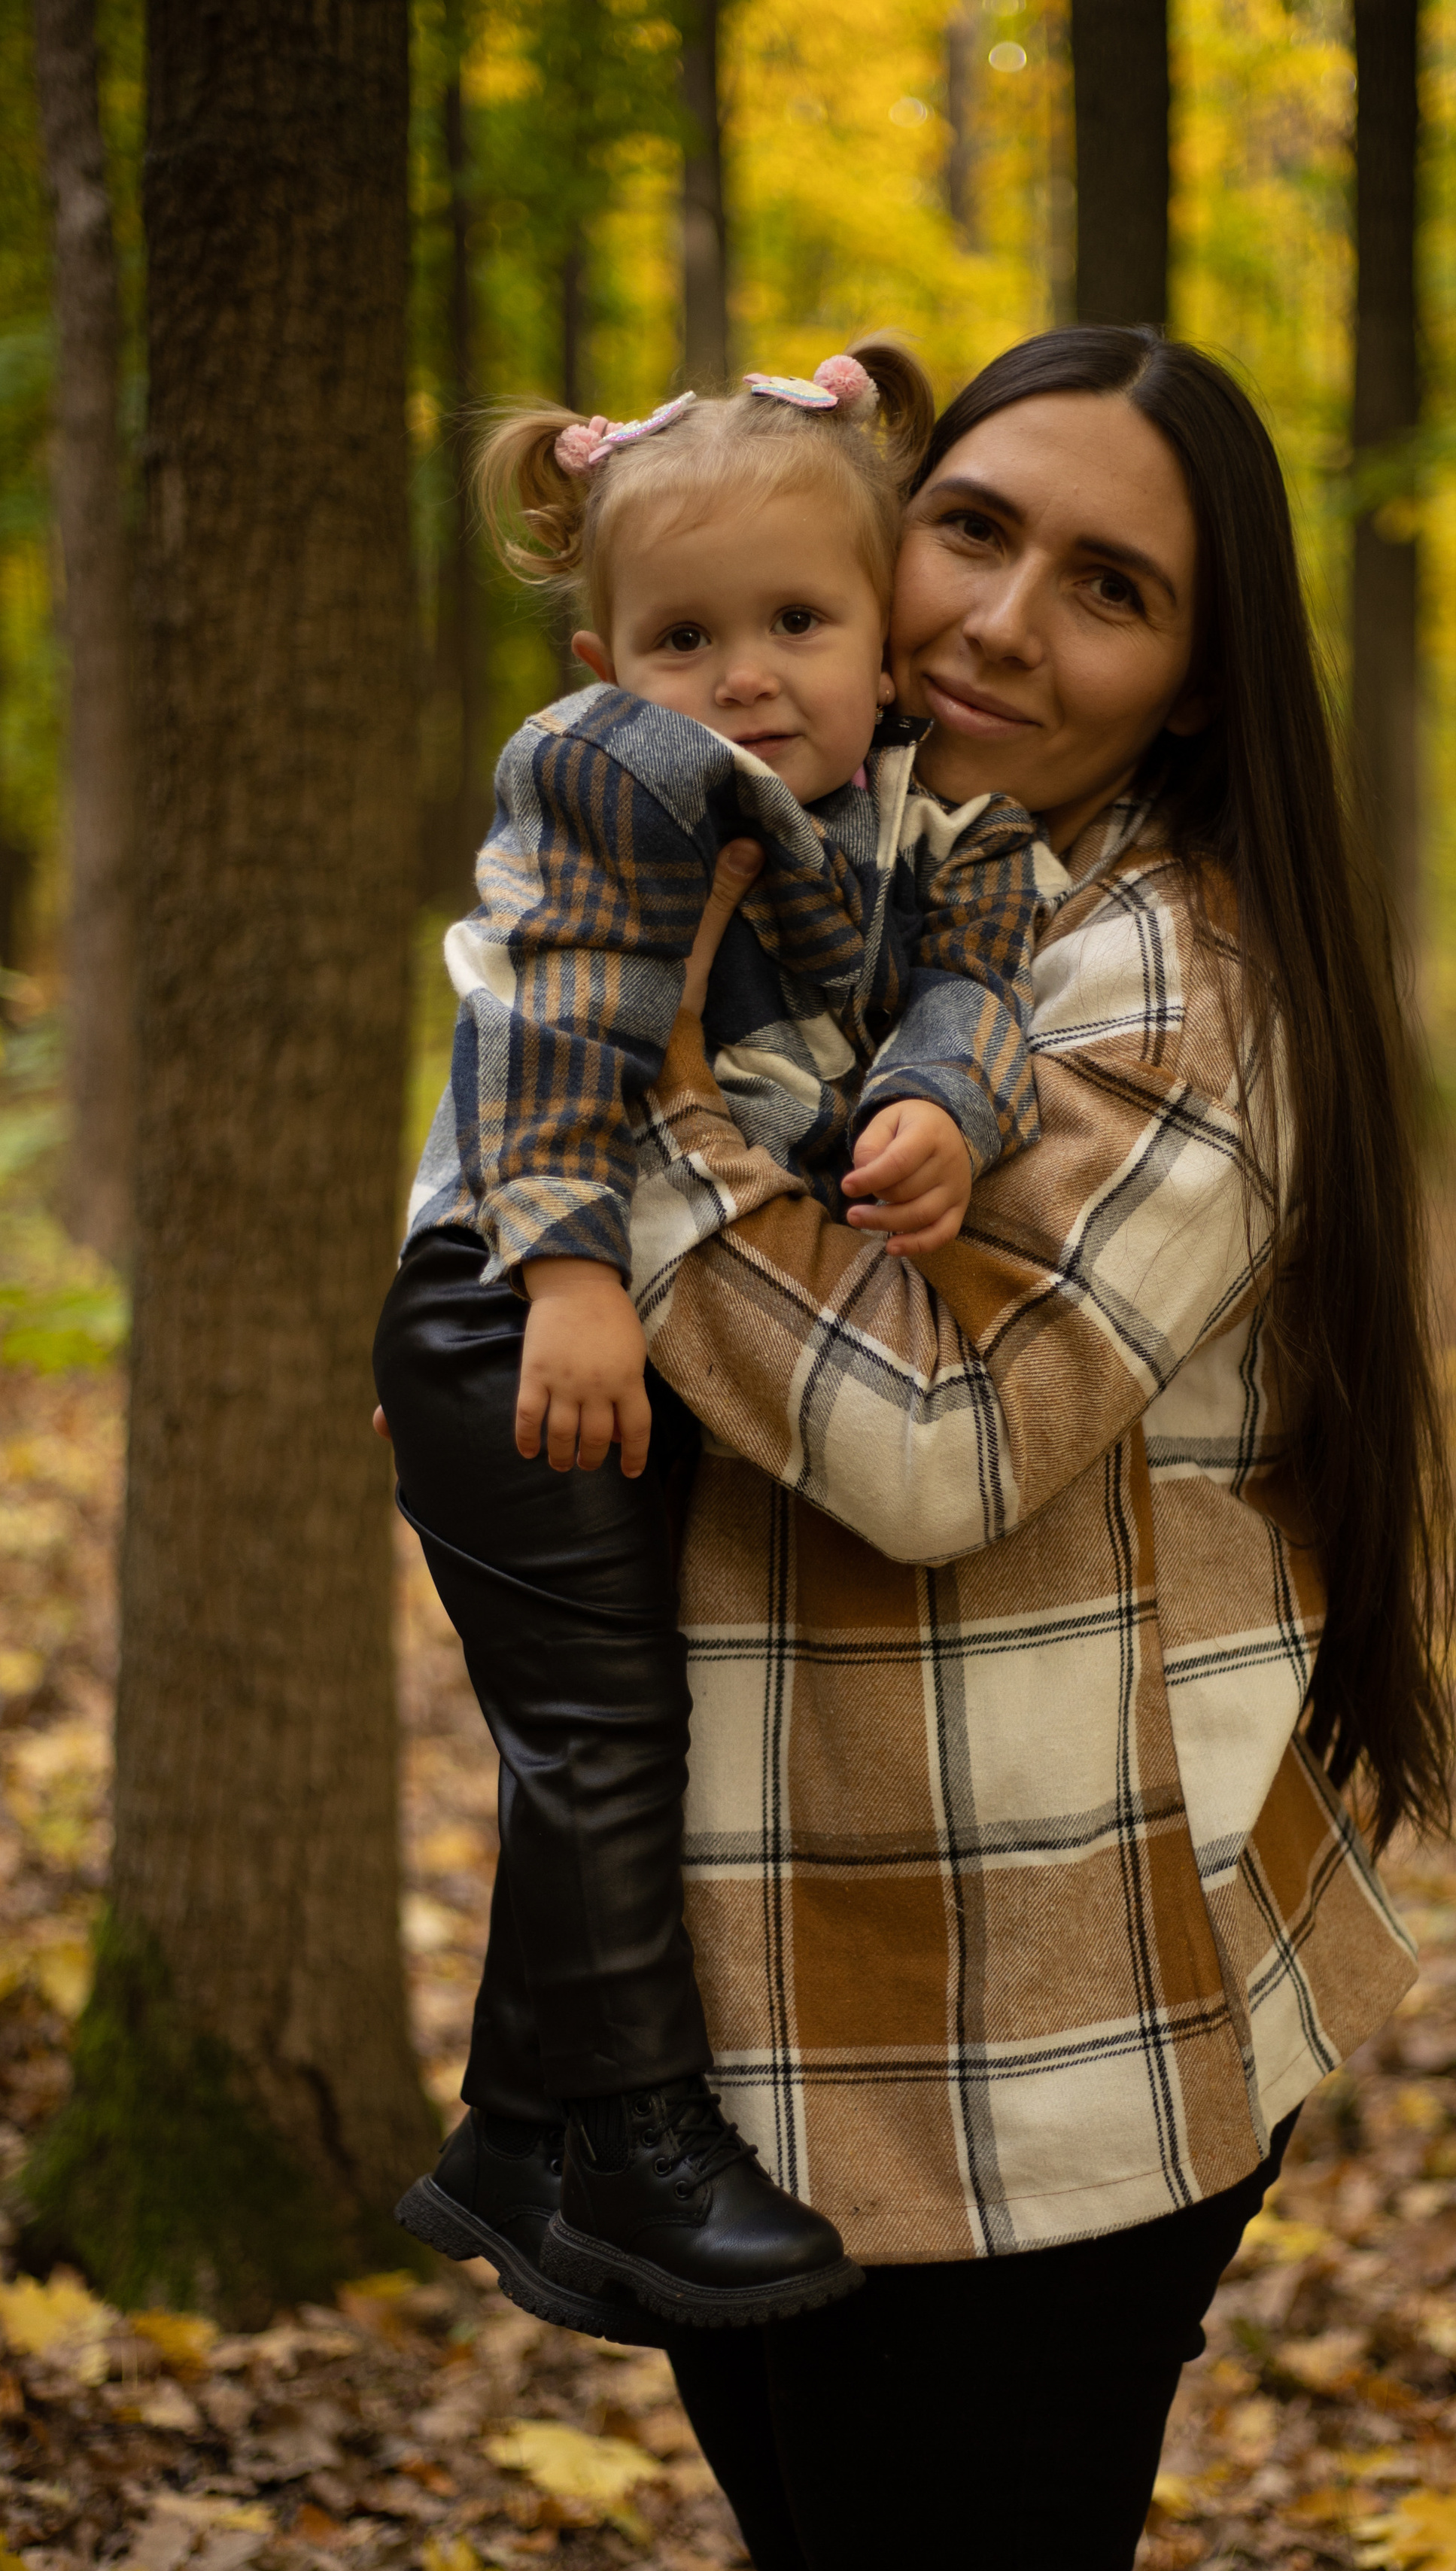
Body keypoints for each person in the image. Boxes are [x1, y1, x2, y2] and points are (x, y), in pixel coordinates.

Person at [419, 323, 1456, 2571]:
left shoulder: (1175, 984)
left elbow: (929, 1438)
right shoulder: (845, 860)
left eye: (1108, 588)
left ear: (1200, 679)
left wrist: (602, 1133)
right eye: (971, 529)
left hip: (1039, 2045)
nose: (1002, 618)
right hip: (782, 1993)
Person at [375, 345, 1047, 2338]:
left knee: (615, 1715)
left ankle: (513, 2132)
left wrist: (947, 1098)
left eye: (795, 622)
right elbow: (551, 1015)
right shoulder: (618, 773)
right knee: (606, 1729)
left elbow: (987, 979)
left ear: (889, 639)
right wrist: (568, 1276)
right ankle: (642, 2142)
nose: (744, 673)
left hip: (653, 1304)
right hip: (515, 1291)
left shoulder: (940, 814)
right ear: (602, 655)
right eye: (685, 634)